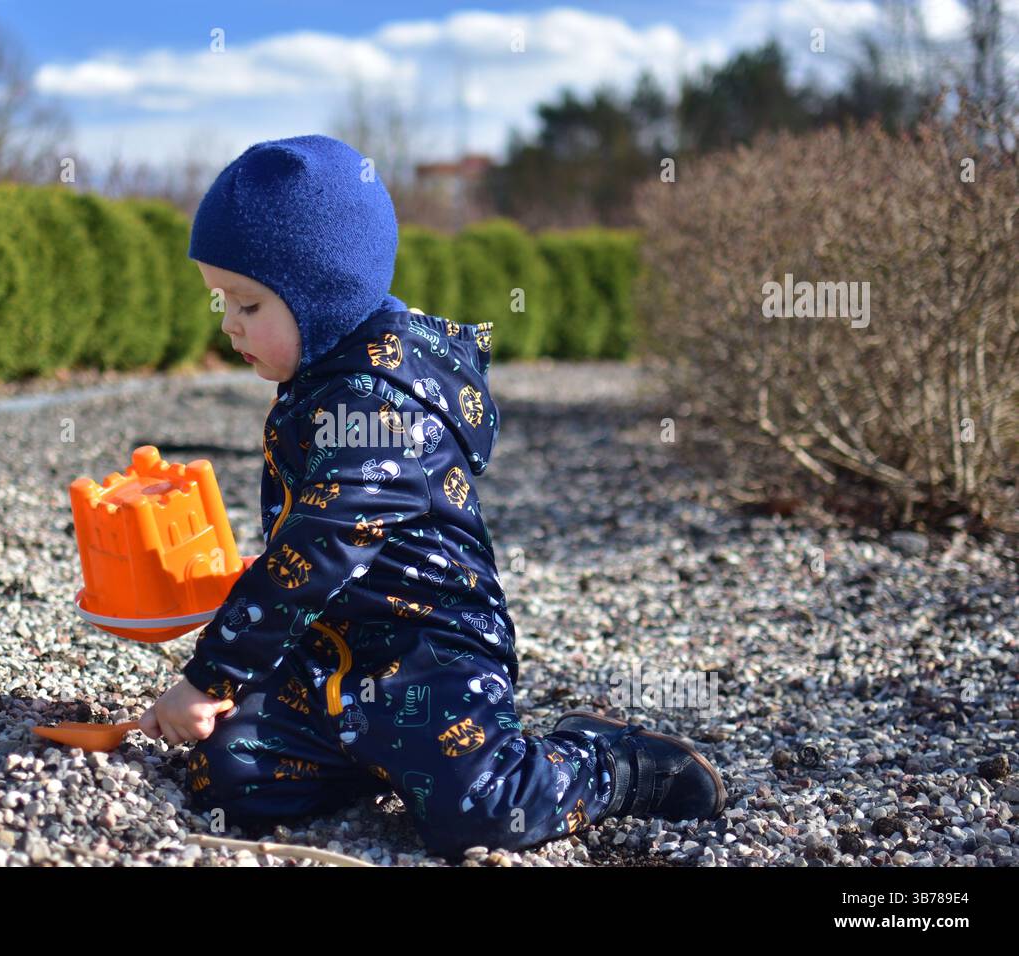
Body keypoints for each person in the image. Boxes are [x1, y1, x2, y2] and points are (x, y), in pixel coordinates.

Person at [138, 134, 726, 861]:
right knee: (230, 778)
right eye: (221, 300)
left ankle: (616, 764)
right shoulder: (323, 376)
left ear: (321, 295)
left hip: (430, 654)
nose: (227, 323)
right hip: (334, 657)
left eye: (249, 302)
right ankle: (375, 759)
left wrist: (208, 675)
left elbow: (317, 548)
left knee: (479, 814)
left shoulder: (379, 414)